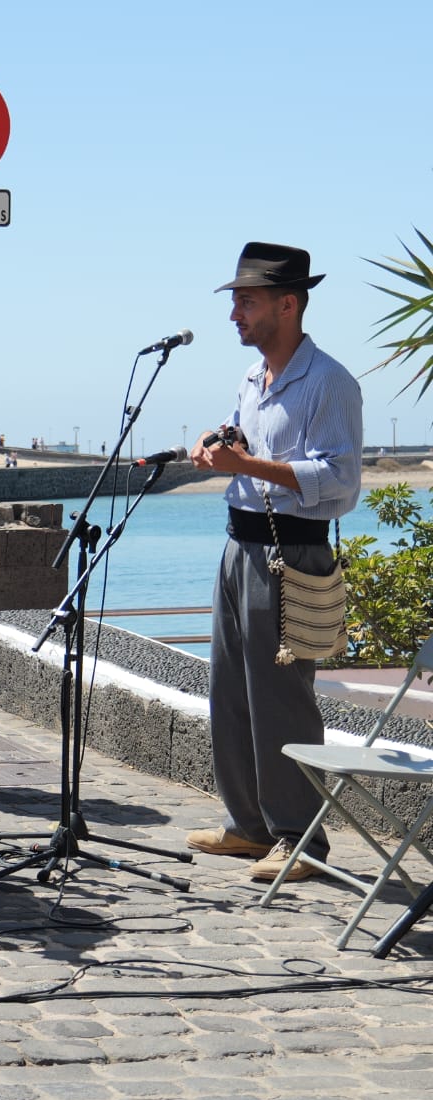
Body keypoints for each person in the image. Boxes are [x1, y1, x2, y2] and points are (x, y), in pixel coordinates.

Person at [185, 242, 363, 883]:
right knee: (230, 692)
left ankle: (302, 839)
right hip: (240, 548)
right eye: (235, 300)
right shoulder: (253, 378)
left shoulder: (331, 383)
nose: (235, 312)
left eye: (247, 301)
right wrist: (216, 440)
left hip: (293, 550)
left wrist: (244, 464)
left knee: (284, 698)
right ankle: (251, 828)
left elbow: (340, 481)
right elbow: (240, 435)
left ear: (287, 305)